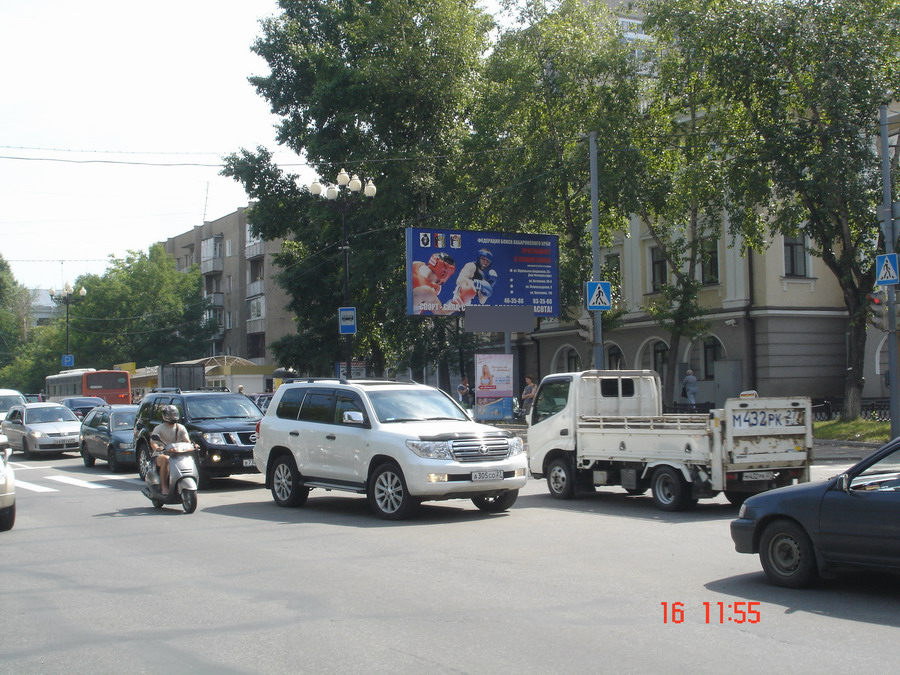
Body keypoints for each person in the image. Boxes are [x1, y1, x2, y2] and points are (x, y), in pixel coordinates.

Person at [150, 405, 192, 495]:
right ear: (165, 415)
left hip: (177, 454)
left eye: (174, 414)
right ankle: (164, 486)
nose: (173, 416)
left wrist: (192, 446)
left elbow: (187, 441)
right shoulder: (159, 428)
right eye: (170, 414)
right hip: (160, 455)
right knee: (166, 459)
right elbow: (153, 442)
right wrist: (157, 448)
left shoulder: (181, 427)